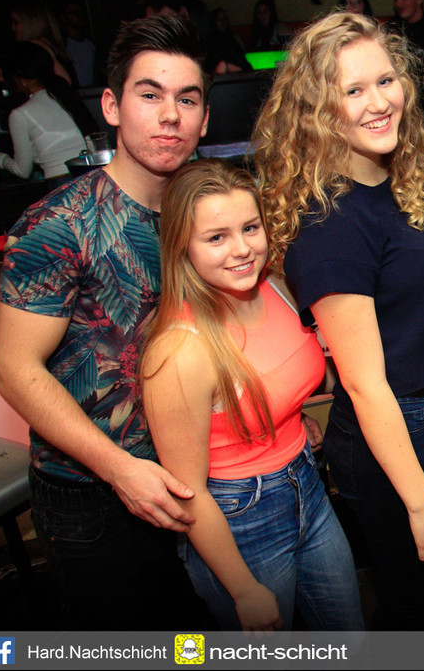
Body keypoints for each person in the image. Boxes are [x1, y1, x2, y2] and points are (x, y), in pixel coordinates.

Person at [251, 12, 424, 631]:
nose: (379, 102)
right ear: (316, 108)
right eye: (353, 90)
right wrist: (420, 503)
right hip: (396, 428)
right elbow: (362, 384)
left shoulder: (395, 178)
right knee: (415, 602)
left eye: (385, 81)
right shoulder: (330, 224)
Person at [0, 15, 211, 630]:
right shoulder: (58, 224)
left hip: (196, 473)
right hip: (93, 496)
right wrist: (121, 471)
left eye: (186, 99)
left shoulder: (204, 215)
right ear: (112, 106)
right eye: (150, 94)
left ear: (204, 119)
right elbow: (13, 369)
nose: (169, 115)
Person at [141, 159, 364, 632]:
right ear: (182, 245)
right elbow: (188, 493)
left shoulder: (275, 287)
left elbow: (272, 383)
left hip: (308, 485)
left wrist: (286, 420)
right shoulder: (179, 350)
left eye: (250, 228)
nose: (242, 249)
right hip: (238, 519)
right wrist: (242, 589)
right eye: (216, 237)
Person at [0, 42, 93, 188]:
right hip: (92, 174)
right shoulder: (64, 95)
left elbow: (22, 170)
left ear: (21, 78)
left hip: (61, 183)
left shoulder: (20, 114)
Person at [11, 4, 78, 86]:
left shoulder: (38, 47)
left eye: (16, 22)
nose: (12, 27)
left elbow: (65, 83)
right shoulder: (47, 45)